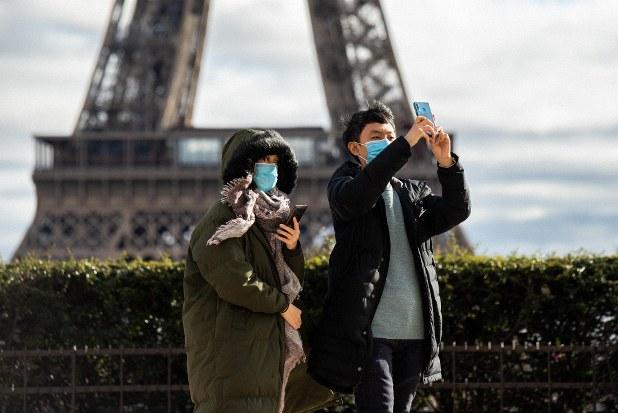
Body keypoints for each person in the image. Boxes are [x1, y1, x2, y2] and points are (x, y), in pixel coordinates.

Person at [307, 102, 471, 413]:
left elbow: (456, 210)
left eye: (391, 135)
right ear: (356, 147)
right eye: (378, 136)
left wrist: (447, 163)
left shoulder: (412, 194)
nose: (388, 141)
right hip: (372, 334)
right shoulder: (343, 186)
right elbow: (358, 197)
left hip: (414, 332)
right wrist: (406, 143)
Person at [182, 129, 338, 413]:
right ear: (244, 166)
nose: (270, 167)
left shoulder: (274, 218)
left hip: (261, 353)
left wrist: (291, 248)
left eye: (275, 160)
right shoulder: (225, 216)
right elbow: (234, 280)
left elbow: (287, 281)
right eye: (262, 159)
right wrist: (283, 307)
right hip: (234, 354)